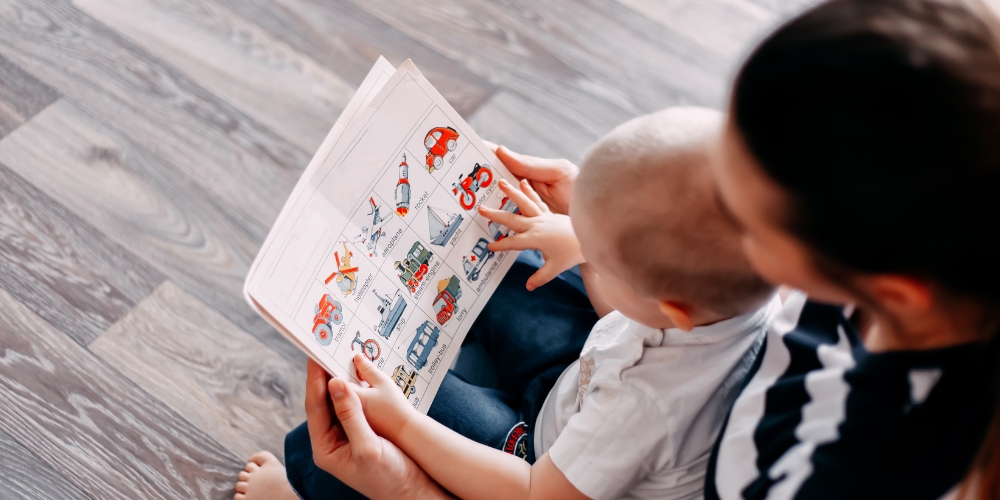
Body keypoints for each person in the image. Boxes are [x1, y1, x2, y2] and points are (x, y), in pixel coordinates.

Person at [237, 0, 1000, 497]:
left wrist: (404, 472)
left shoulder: (832, 468)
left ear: (889, 286)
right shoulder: (822, 269)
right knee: (510, 248)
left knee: (336, 443)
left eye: (740, 197)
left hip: (579, 457)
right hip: (633, 365)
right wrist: (603, 223)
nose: (715, 182)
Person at [235, 106, 779, 499]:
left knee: (361, 402)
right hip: (585, 377)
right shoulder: (740, 291)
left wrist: (402, 425)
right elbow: (629, 317)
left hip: (539, 460)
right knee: (520, 253)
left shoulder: (646, 410)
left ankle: (300, 491)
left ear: (674, 308)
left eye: (602, 254)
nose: (582, 242)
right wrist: (583, 244)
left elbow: (534, 492)